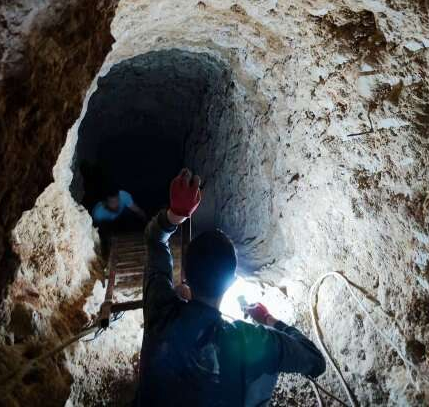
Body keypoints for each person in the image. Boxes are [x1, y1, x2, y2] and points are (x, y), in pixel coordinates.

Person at [138, 169, 326, 406]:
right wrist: (268, 319)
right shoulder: (250, 342)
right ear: (231, 282)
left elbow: (154, 240)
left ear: (184, 274)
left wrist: (176, 214)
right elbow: (315, 361)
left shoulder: (160, 311)